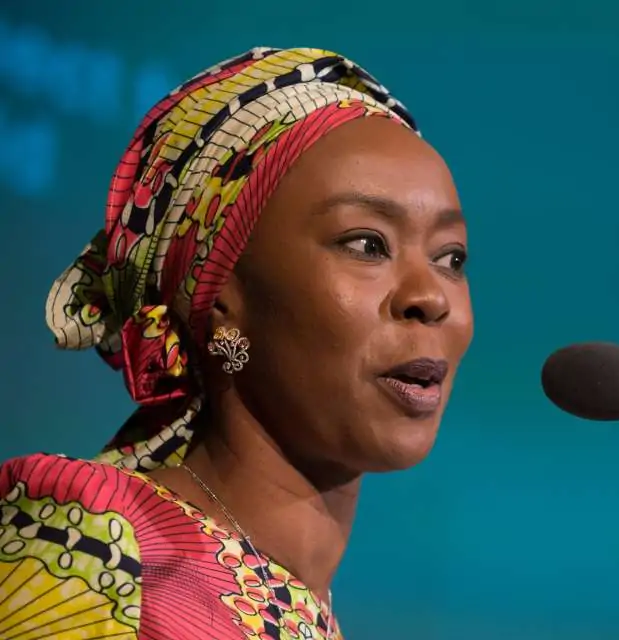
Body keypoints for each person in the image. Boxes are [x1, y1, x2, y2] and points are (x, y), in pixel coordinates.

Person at [0, 46, 473, 639]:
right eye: (365, 244)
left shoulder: (311, 610)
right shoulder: (92, 553)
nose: (431, 297)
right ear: (221, 292)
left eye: (451, 258)